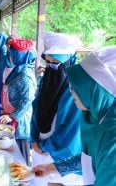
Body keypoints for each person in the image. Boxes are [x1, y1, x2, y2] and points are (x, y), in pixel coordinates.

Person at [32, 46, 116, 186]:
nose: (71, 93)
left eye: (76, 88)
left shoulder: (112, 133)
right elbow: (90, 157)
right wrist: (51, 168)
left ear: (95, 90)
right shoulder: (94, 117)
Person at [29, 32, 83, 161]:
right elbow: (36, 107)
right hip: (40, 145)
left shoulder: (76, 91)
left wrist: (45, 146)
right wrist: (33, 137)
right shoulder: (46, 81)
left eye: (55, 62)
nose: (50, 67)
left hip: (61, 158)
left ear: (70, 61)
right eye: (48, 62)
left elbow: (71, 132)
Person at [0, 37, 37, 165]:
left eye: (13, 53)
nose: (10, 56)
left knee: (21, 157)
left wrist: (12, 116)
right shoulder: (19, 69)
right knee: (12, 153)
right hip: (12, 116)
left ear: (20, 55)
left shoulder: (25, 74)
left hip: (21, 121)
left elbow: (28, 100)